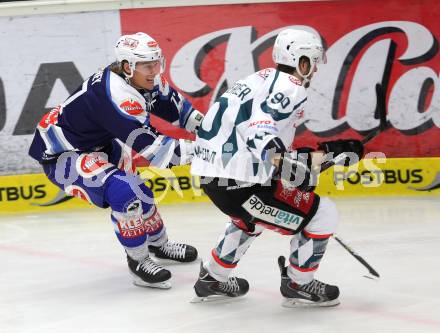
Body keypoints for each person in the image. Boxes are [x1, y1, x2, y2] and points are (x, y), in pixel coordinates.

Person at [190, 29, 363, 306]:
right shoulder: (292, 86)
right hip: (242, 185)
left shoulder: (259, 79)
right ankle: (299, 284)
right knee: (323, 214)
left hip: (219, 180)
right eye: (314, 62)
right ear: (302, 61)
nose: (315, 69)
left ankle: (213, 276)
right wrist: (287, 166)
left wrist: (328, 155)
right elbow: (261, 132)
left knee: (251, 218)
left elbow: (261, 144)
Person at [29, 32, 205, 289]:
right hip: (63, 156)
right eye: (148, 65)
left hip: (97, 144)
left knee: (140, 190)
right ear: (127, 66)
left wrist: (211, 131)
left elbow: (179, 110)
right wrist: (213, 151)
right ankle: (138, 262)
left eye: (157, 63)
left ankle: (159, 246)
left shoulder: (140, 78)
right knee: (124, 191)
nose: (155, 71)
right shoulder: (117, 96)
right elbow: (157, 152)